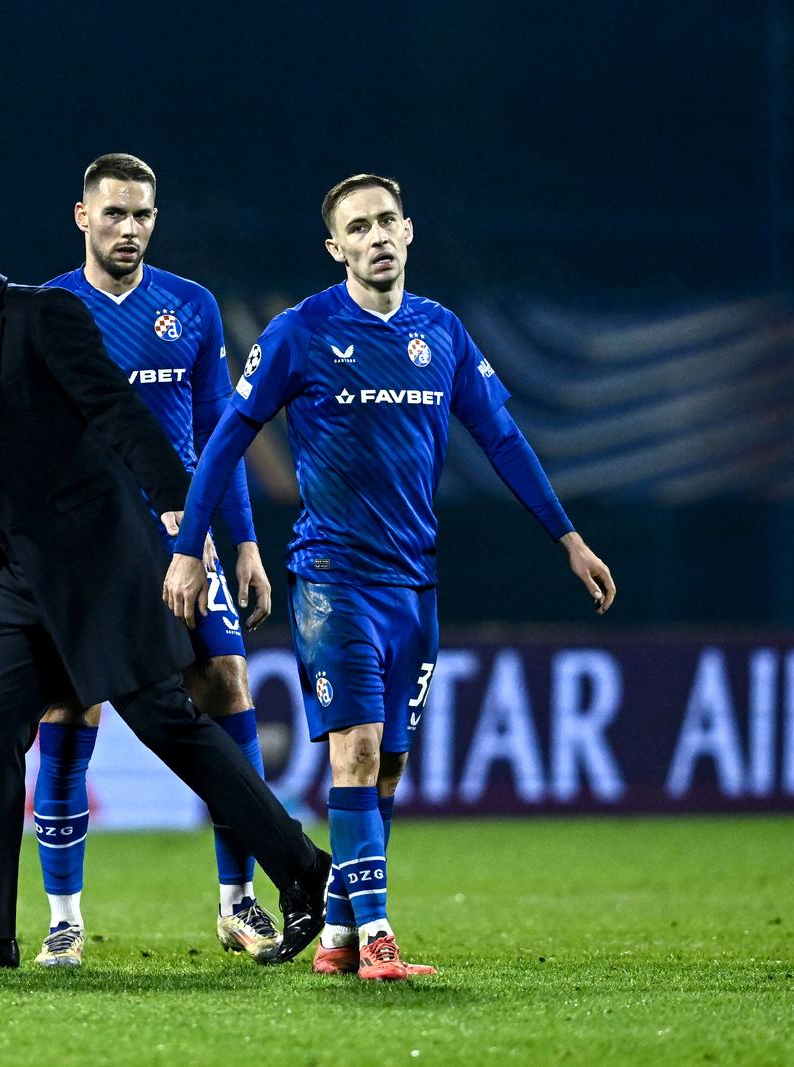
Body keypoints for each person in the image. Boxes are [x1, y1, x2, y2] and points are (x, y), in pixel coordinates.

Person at [0, 185, 331, 970]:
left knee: (170, 724)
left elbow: (119, 414)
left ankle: (304, 871)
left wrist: (184, 527)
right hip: (23, 580)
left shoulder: (40, 316)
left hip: (99, 565)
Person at [164, 173, 617, 981]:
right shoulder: (301, 331)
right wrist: (191, 548)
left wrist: (569, 538)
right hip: (332, 580)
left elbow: (503, 438)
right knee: (359, 750)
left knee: (392, 764)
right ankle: (378, 938)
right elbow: (228, 439)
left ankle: (338, 935)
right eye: (358, 227)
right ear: (335, 247)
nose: (375, 236)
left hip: (414, 588)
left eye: (386, 222)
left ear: (408, 232)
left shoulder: (441, 333)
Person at [32, 153, 278, 967]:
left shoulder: (192, 306)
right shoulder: (48, 312)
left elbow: (220, 438)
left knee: (226, 686)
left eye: (141, 214)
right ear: (82, 217)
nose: (129, 229)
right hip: (88, 552)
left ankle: (238, 901)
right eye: (114, 214)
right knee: (70, 710)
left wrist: (241, 541)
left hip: (184, 541)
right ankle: (64, 917)